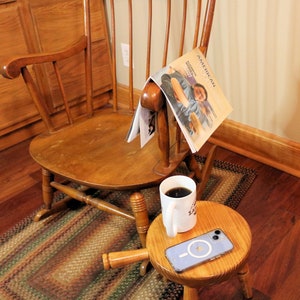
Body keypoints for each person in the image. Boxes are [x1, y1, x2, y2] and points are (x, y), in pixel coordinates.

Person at [160, 68, 213, 136]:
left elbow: (188, 129)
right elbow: (165, 77)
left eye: (202, 96)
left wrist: (190, 127)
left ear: (201, 101)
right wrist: (172, 91)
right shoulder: (183, 81)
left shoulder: (197, 112)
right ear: (195, 86)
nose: (199, 94)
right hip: (162, 103)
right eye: (199, 91)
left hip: (172, 125)